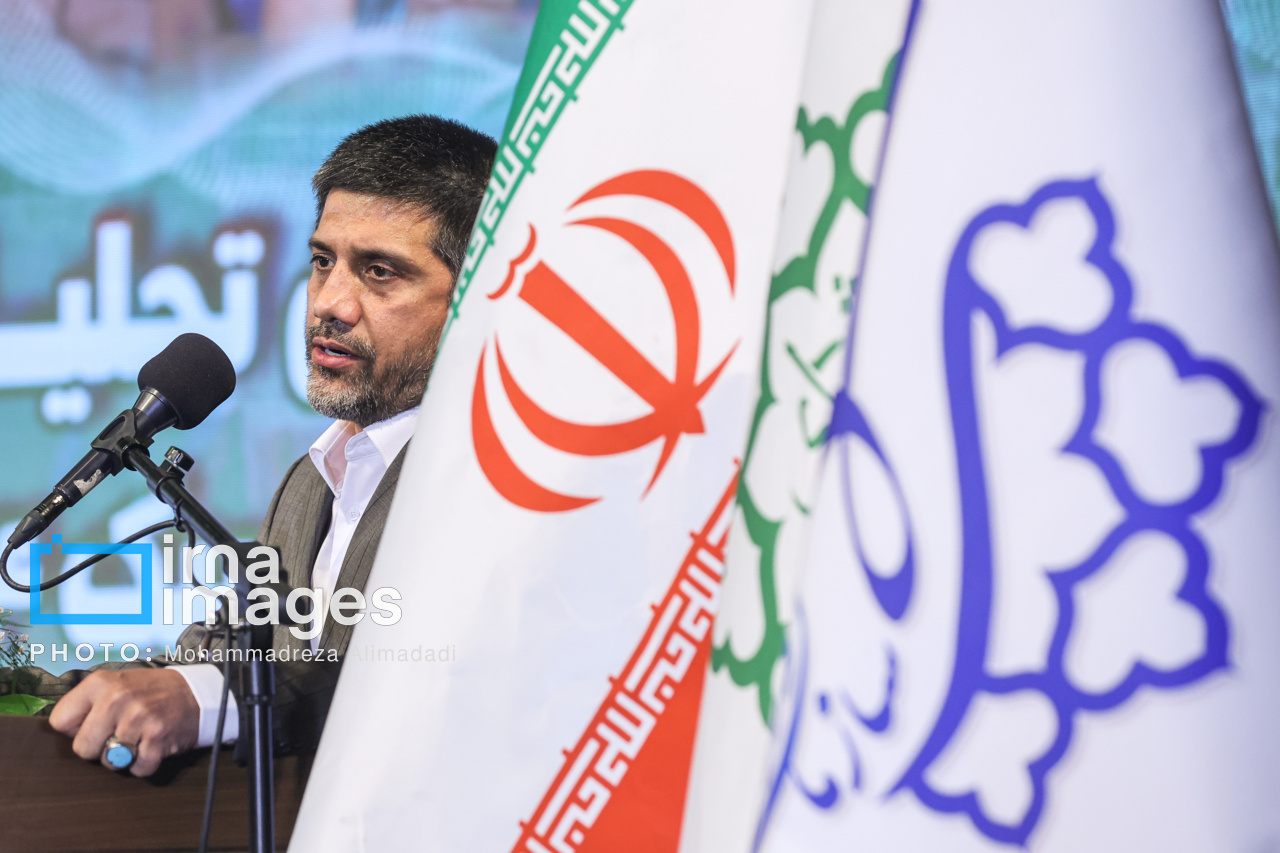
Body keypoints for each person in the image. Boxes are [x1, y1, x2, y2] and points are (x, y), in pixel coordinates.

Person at [28, 114, 496, 777]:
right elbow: (217, 658)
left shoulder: (493, 482)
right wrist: (34, 689)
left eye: (379, 272)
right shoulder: (310, 480)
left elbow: (419, 676)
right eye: (323, 261)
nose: (330, 302)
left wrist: (203, 701)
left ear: (476, 296)